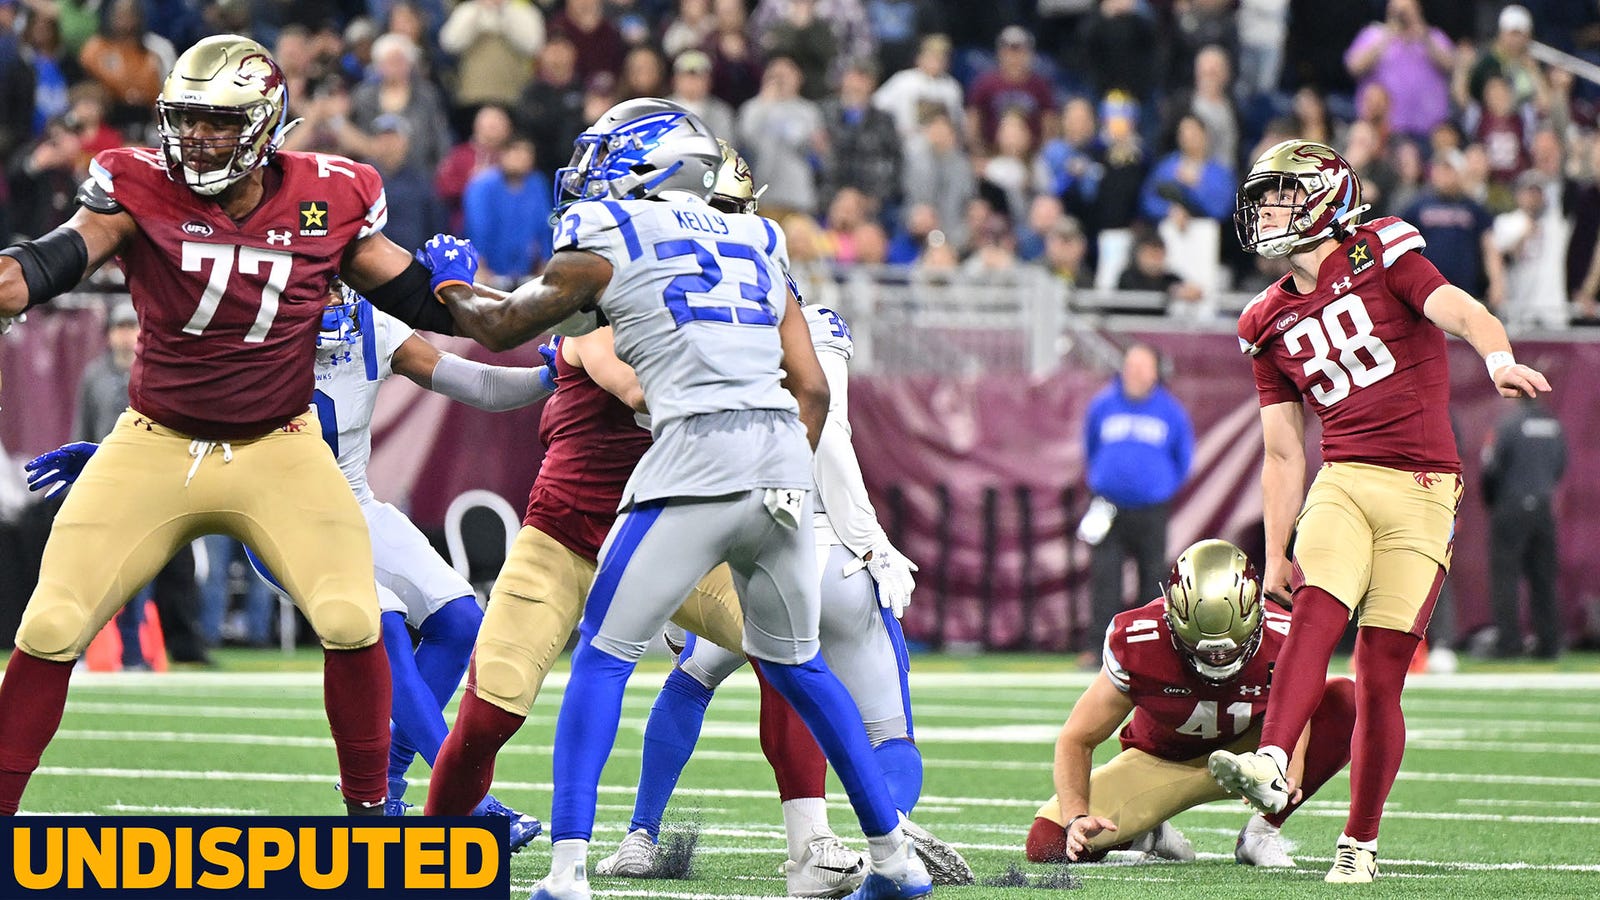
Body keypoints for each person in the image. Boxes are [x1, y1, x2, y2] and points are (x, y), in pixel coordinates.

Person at [430, 98, 933, 900]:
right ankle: (894, 859)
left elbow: (519, 335)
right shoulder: (763, 242)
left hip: (683, 483)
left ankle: (575, 872)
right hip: (667, 501)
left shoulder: (612, 241)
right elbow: (810, 392)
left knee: (605, 660)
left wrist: (448, 284)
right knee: (793, 663)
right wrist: (777, 478)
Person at [0, 34, 470, 817]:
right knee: (48, 626)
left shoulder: (333, 192)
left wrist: (466, 293)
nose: (197, 138)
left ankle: (371, 817)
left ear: (263, 124)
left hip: (279, 447)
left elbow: (429, 304)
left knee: (353, 618)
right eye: (186, 120)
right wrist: (11, 280)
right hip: (153, 443)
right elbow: (52, 262)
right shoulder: (137, 184)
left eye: (218, 123)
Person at [25, 281, 555, 842]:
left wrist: (551, 377)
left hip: (356, 504)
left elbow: (480, 385)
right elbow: (187, 413)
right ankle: (465, 799)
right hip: (282, 516)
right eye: (314, 285)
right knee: (384, 623)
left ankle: (392, 785)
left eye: (333, 285)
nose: (325, 299)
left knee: (461, 621)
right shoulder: (254, 334)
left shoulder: (373, 330)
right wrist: (115, 456)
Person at [591, 142, 970, 894]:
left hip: (704, 535)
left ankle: (635, 835)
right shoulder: (801, 313)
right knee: (884, 727)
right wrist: (871, 541)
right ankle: (873, 831)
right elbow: (828, 437)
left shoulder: (667, 309)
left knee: (690, 677)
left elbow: (646, 416)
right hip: (810, 542)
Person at [1213, 139, 1551, 882]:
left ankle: (1358, 843)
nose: (1266, 211)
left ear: (1326, 196)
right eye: (1262, 198)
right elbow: (1281, 453)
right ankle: (1274, 755)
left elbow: (1460, 308)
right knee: (1317, 601)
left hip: (1425, 487)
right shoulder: (1264, 319)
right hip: (1345, 475)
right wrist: (1274, 553)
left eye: (1281, 196)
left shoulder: (1382, 249)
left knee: (1380, 674)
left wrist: (1497, 359)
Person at [1028, 539, 1355, 868]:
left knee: (1347, 703)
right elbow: (1077, 738)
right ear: (1172, 619)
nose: (1217, 659)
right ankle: (1148, 833)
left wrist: (1290, 767)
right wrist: (1075, 817)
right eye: (1202, 649)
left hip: (1254, 756)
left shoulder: (1283, 635)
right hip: (1160, 763)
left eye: (1230, 650)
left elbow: (1298, 709)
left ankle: (1261, 833)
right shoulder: (1141, 641)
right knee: (1049, 843)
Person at [1081, 343, 1194, 669]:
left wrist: (1161, 488)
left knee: (1151, 577)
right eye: (1131, 366)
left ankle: (1149, 653)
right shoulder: (1103, 405)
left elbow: (1183, 459)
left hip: (1151, 509)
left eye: (1143, 367)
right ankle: (1099, 648)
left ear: (1155, 372)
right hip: (1107, 506)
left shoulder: (1171, 412)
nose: (1136, 373)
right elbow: (1090, 447)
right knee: (1105, 578)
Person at [1481, 396, 1566, 659]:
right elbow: (1561, 466)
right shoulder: (1554, 426)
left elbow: (1490, 468)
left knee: (1506, 577)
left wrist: (1493, 501)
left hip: (1510, 506)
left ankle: (1508, 643)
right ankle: (1549, 643)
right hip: (1543, 507)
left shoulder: (1507, 425)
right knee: (1544, 578)